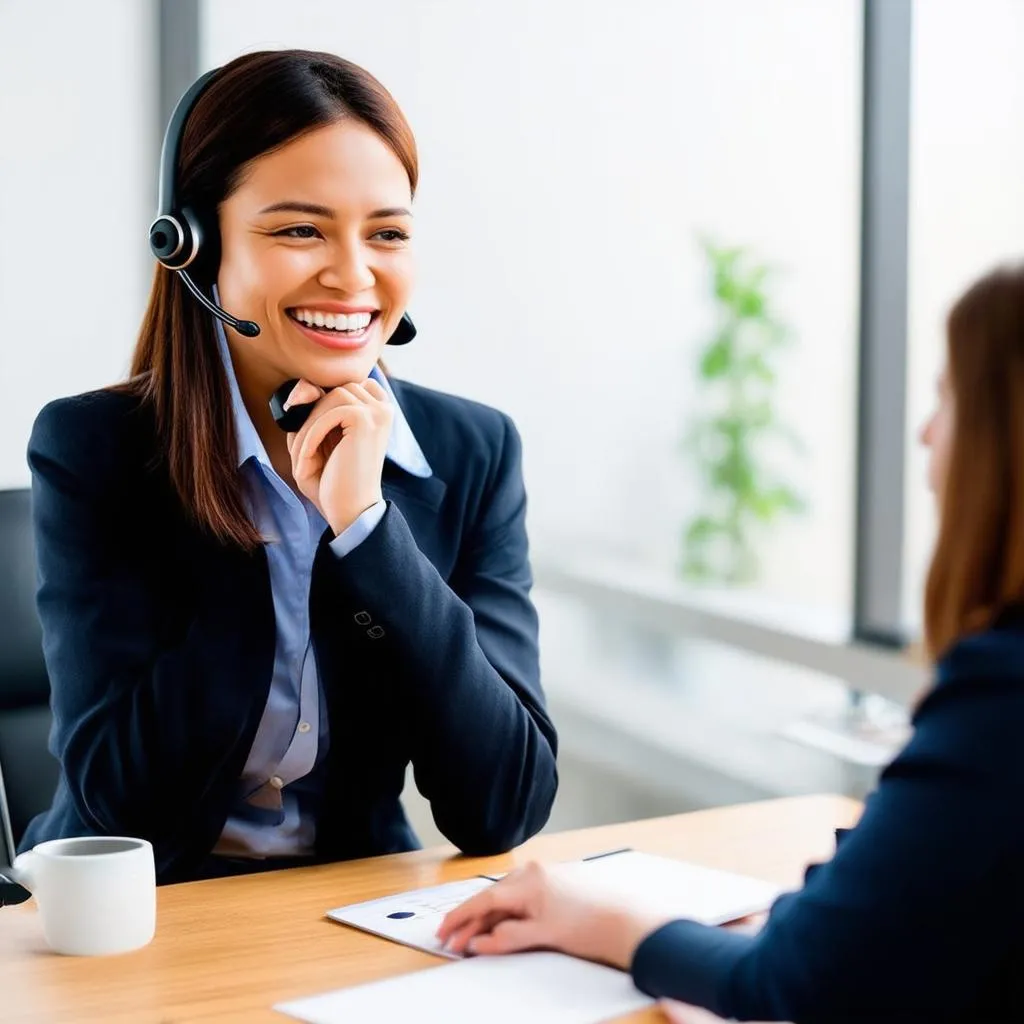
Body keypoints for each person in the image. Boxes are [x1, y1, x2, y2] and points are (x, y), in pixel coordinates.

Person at [21, 49, 557, 884]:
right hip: (137, 912)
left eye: (386, 233)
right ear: (193, 246)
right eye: (300, 229)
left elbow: (503, 808)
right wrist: (268, 525)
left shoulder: (473, 452)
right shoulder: (95, 450)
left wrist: (368, 534)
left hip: (349, 907)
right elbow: (122, 805)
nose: (352, 275)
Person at [440, 261, 1024, 1023]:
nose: (924, 433)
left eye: (947, 399)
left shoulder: (1000, 693)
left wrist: (591, 917)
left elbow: (792, 981)